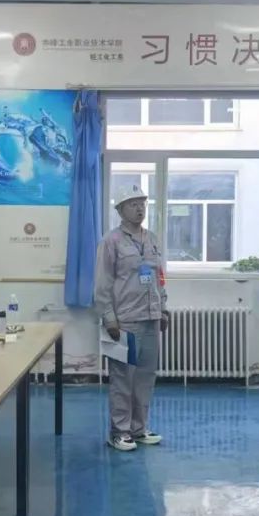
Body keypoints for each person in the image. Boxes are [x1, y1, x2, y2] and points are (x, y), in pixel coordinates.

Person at [94, 184, 167, 451]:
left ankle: (138, 428)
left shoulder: (152, 239)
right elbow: (102, 283)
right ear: (120, 210)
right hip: (124, 320)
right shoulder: (111, 241)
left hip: (151, 317)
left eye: (142, 204)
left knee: (145, 376)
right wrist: (109, 318)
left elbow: (159, 277)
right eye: (133, 204)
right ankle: (119, 431)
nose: (139, 209)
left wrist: (163, 308)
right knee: (122, 378)